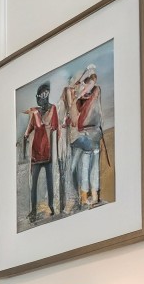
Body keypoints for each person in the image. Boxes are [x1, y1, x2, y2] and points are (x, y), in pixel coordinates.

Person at [65, 63, 104, 209]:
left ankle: (91, 195)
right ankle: (86, 195)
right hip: (86, 136)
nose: (87, 87)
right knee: (86, 164)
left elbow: (79, 120)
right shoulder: (76, 97)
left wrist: (79, 94)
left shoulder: (93, 92)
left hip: (92, 134)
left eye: (90, 83)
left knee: (90, 164)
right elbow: (75, 120)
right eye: (85, 83)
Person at [23, 82, 59, 223]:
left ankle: (51, 206)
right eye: (40, 95)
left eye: (44, 94)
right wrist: (25, 135)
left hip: (48, 152)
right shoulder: (35, 112)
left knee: (50, 181)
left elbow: (52, 126)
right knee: (34, 183)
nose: (42, 98)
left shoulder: (52, 109)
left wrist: (37, 114)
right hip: (36, 153)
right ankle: (33, 211)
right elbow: (31, 126)